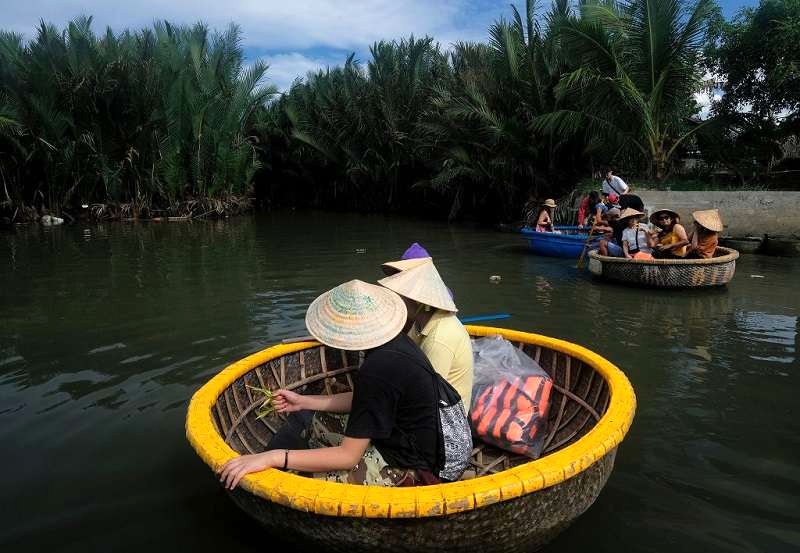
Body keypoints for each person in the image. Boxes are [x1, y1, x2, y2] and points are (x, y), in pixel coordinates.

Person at [219, 279, 450, 489]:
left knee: (302, 481)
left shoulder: (379, 367)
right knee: (318, 423)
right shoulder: (393, 344)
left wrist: (274, 457)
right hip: (404, 437)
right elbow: (364, 399)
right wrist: (303, 402)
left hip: (415, 465)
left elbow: (348, 456)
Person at [378, 259, 474, 411]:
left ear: (416, 300)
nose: (395, 299)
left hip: (443, 421)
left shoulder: (440, 337)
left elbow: (424, 396)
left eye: (399, 294)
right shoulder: (420, 322)